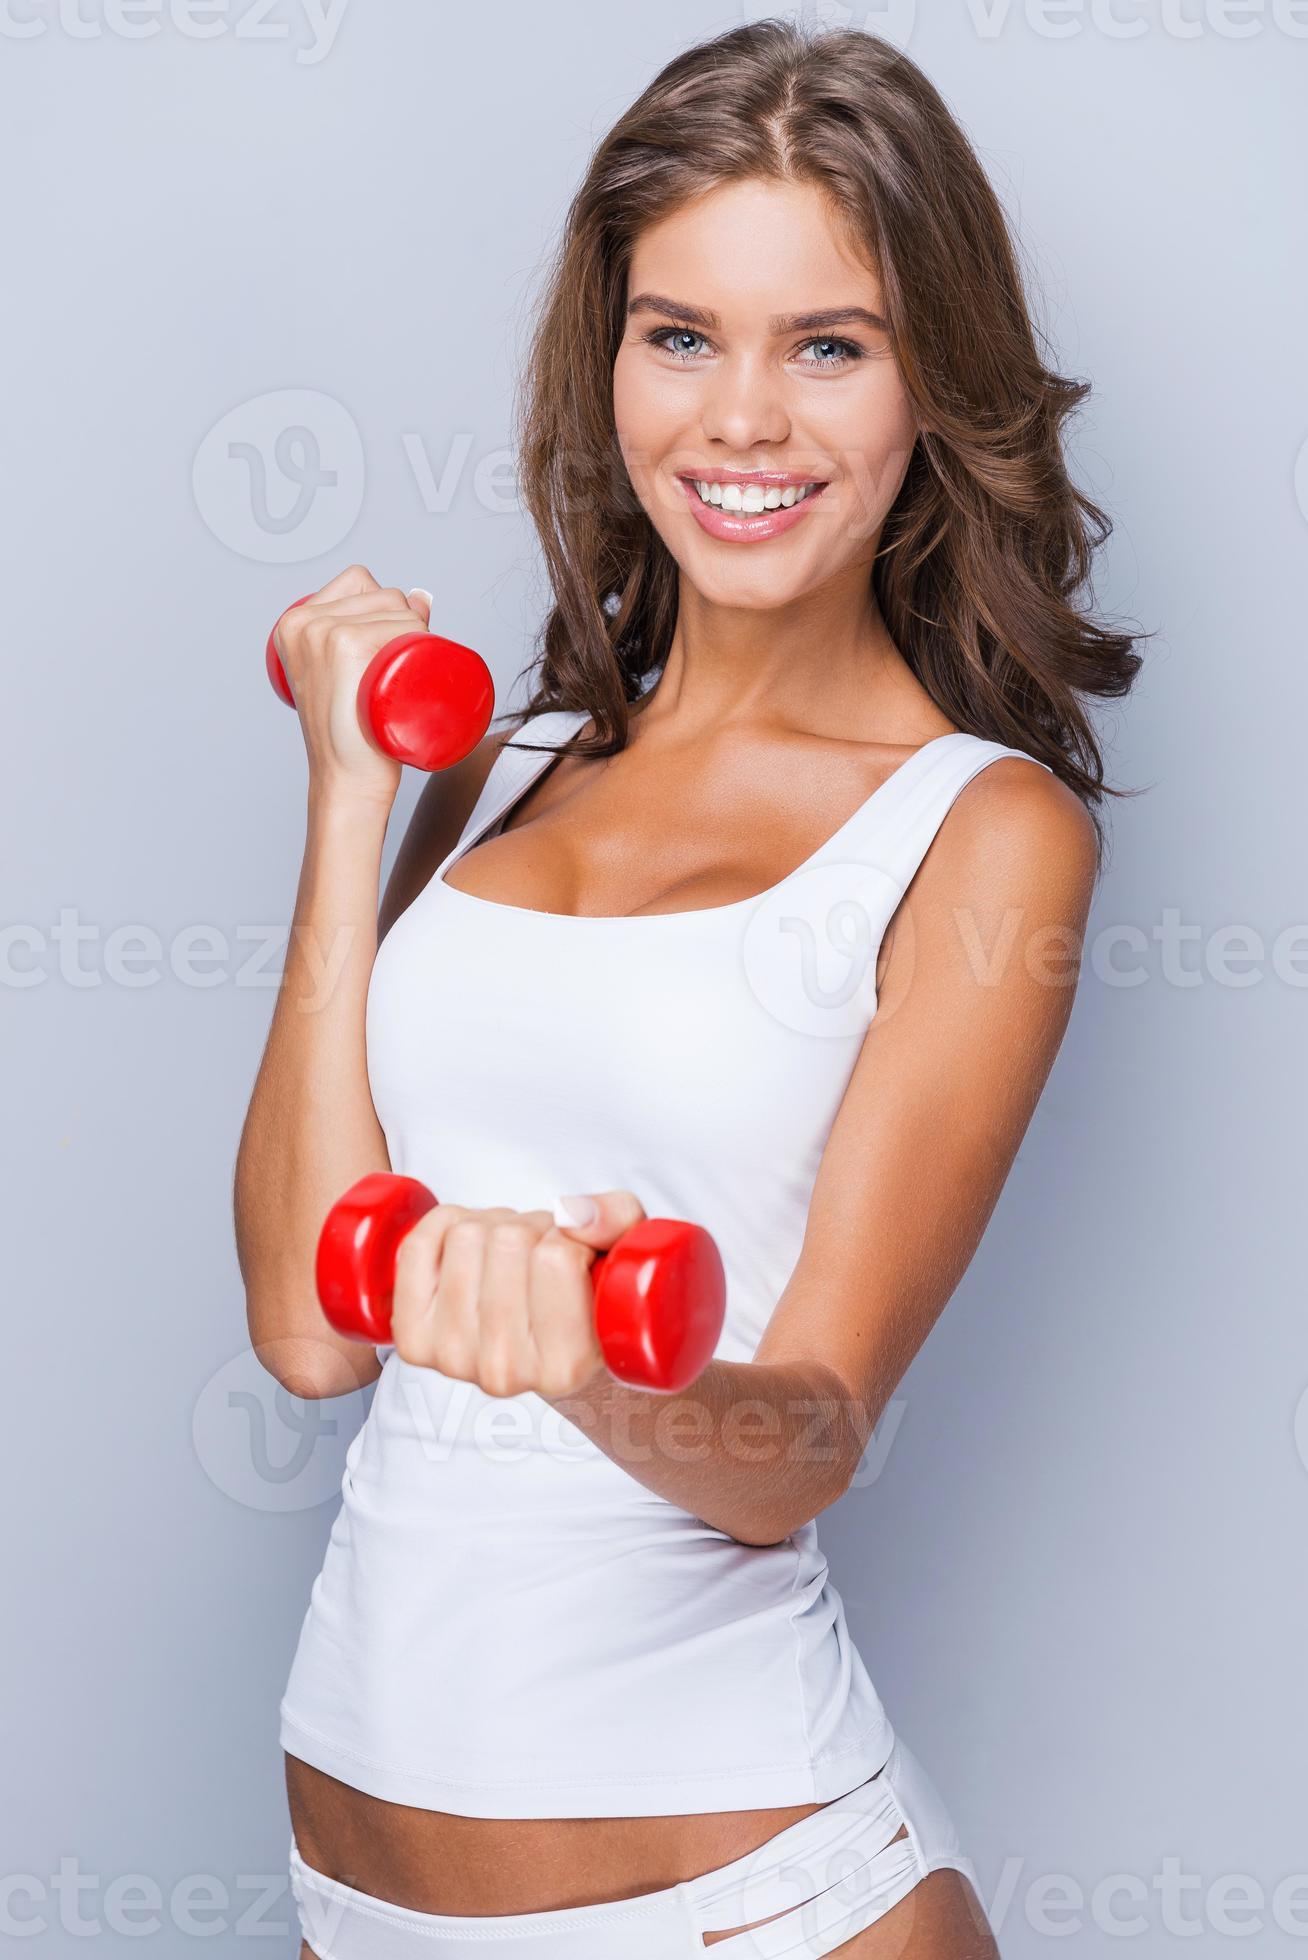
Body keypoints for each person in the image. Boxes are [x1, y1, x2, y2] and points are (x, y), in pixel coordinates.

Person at [234, 20, 1139, 1958]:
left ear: (930, 388)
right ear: (610, 357)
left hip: (751, 1908)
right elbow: (313, 1327)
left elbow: (803, 1439)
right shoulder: (515, 755)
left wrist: (587, 1359)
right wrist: (344, 803)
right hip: (360, 1898)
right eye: (681, 334)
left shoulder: (980, 836)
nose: (743, 419)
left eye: (829, 342)